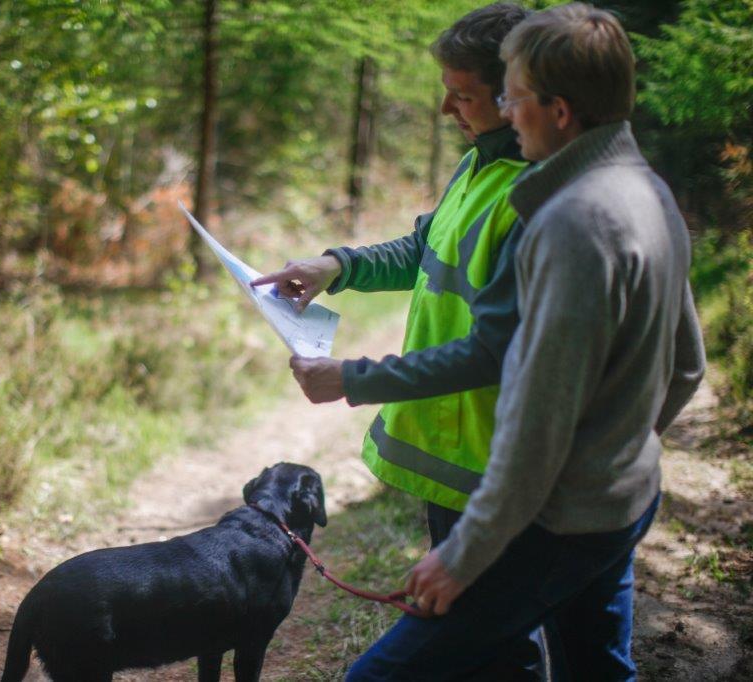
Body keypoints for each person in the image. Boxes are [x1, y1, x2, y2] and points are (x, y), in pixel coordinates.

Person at [341, 4, 706, 680]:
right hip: (623, 495)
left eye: (512, 95)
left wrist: (464, 552)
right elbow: (688, 367)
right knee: (595, 670)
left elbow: (537, 420)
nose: (505, 112)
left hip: (555, 521)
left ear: (559, 110)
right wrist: (619, 449)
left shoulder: (571, 222)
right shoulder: (650, 192)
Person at [254, 5, 545, 675]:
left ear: (515, 95)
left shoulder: (534, 195)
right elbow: (423, 248)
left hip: (491, 460)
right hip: (449, 456)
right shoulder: (478, 165)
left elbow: (495, 350)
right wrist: (337, 267)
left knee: (495, 637)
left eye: (462, 94)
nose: (446, 108)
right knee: (487, 636)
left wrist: (352, 379)